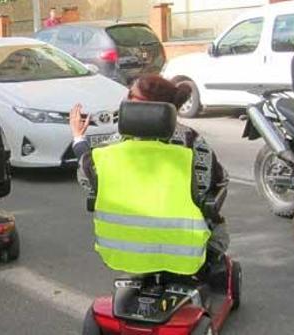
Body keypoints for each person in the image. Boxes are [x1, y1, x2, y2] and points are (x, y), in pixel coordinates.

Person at [70, 74, 230, 264]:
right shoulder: (191, 141)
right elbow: (217, 182)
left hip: (122, 248)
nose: (124, 101)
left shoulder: (115, 144)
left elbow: (88, 177)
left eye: (131, 95)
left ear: (153, 106)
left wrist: (79, 139)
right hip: (187, 249)